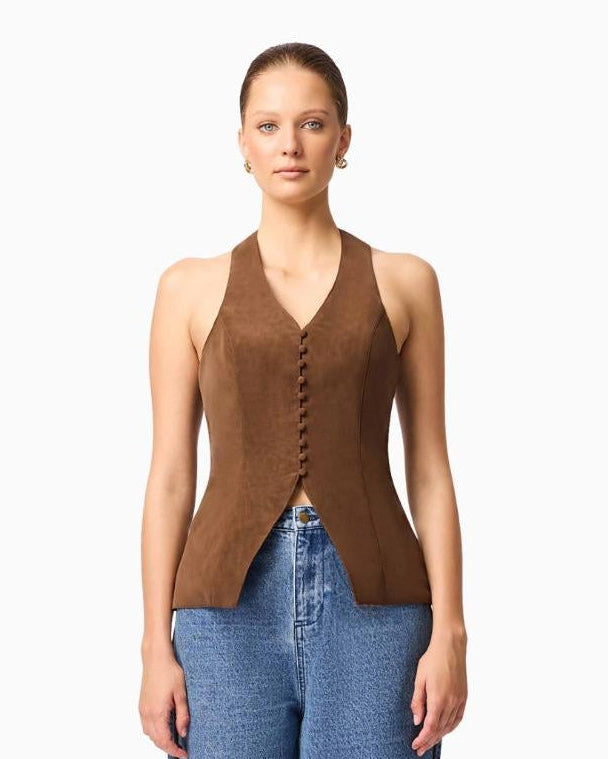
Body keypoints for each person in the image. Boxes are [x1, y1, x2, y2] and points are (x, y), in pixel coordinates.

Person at [138, 42, 467, 759]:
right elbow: (169, 477)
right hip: (225, 614)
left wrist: (450, 631)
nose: (289, 144)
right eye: (268, 126)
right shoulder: (187, 289)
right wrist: (153, 646)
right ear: (243, 143)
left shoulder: (406, 281)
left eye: (312, 124)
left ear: (343, 140)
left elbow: (430, 469)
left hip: (377, 610)